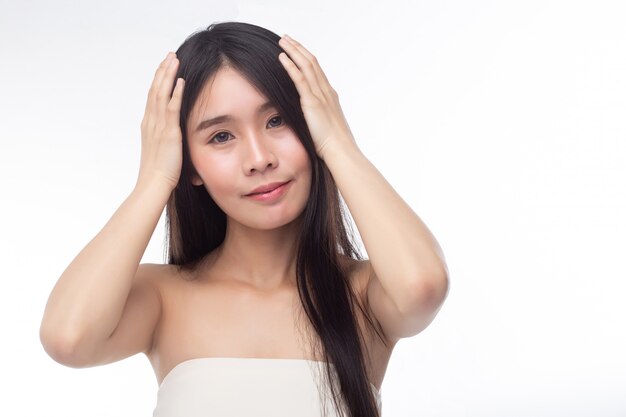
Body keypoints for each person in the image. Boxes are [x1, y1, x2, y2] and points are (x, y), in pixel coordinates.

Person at [40, 21, 449, 417]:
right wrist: (154, 179)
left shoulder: (364, 295)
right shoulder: (163, 299)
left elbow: (423, 285)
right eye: (221, 136)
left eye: (278, 120)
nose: (259, 159)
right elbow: (68, 339)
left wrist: (338, 144)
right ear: (189, 162)